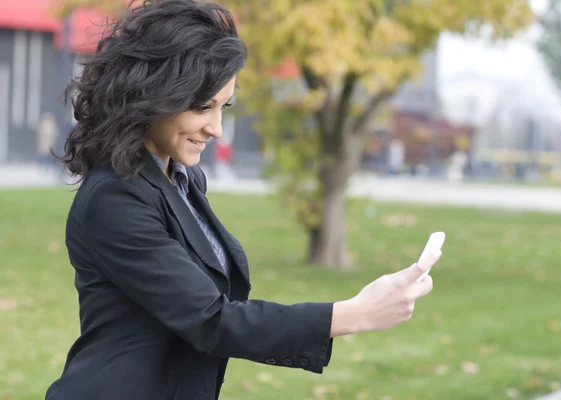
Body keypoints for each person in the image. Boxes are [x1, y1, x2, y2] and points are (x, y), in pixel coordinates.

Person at [45, 1, 436, 399]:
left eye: (223, 107)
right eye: (203, 107)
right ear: (153, 96)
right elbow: (210, 320)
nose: (216, 129)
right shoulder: (114, 198)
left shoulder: (181, 178)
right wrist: (356, 313)